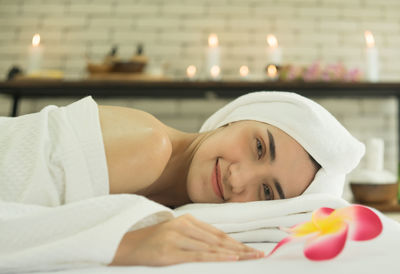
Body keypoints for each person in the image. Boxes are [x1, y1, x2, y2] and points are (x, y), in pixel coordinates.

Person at [0, 91, 364, 267]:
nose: (239, 178)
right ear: (237, 115)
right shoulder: (147, 145)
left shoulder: (173, 204)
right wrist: (122, 245)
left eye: (267, 192)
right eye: (257, 146)